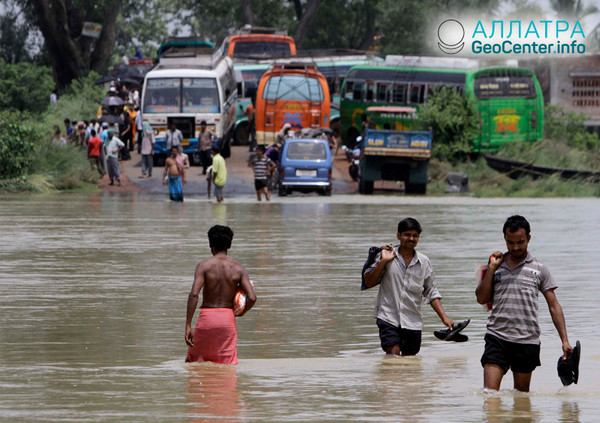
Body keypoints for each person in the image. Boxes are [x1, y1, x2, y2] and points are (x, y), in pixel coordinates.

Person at [475, 215, 573, 393]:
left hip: (527, 340)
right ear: (505, 239)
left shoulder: (539, 268)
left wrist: (564, 340)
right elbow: (481, 299)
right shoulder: (495, 266)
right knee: (489, 395)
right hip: (497, 337)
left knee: (521, 398)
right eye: (510, 242)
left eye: (520, 242)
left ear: (528, 238)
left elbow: (554, 305)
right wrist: (490, 269)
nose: (515, 247)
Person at [363, 217, 455, 356]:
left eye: (415, 235)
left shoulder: (424, 262)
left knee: (409, 361)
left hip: (412, 320)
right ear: (398, 236)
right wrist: (383, 262)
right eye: (407, 235)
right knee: (393, 354)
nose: (411, 238)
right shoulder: (386, 256)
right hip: (388, 317)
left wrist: (444, 318)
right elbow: (368, 282)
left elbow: (431, 292)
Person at [185, 225, 257, 364]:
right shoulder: (238, 268)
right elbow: (252, 297)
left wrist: (188, 325)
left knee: (194, 361)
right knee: (227, 363)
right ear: (229, 245)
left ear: (210, 244)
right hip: (227, 318)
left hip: (207, 317)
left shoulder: (203, 266)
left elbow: (194, 295)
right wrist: (242, 312)